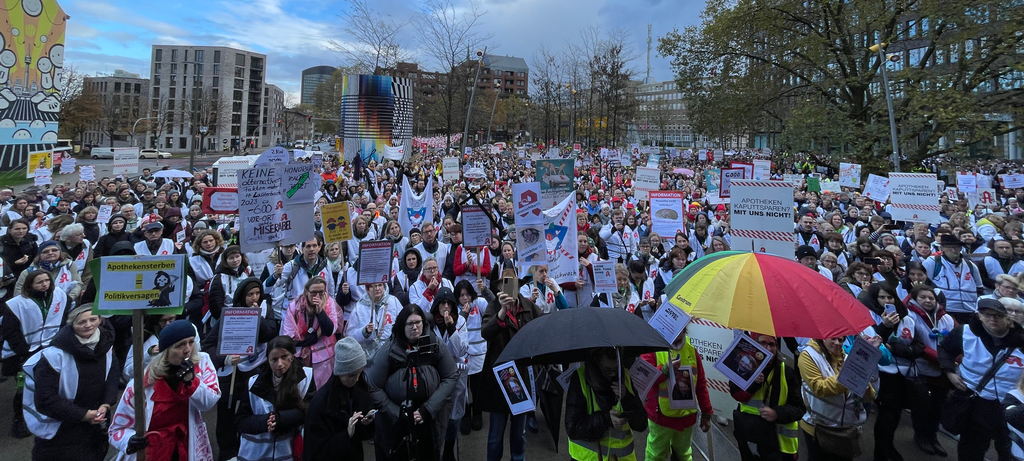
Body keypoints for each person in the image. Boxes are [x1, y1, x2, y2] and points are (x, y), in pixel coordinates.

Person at [108, 320, 221, 461]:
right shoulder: (139, 385)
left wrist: (192, 383)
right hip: (151, 453)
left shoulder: (201, 364)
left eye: (191, 342)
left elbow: (209, 403)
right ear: (166, 350)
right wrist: (129, 440)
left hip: (187, 449)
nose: (187, 349)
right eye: (180, 345)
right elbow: (116, 430)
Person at [21, 305, 119, 461]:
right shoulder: (53, 356)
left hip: (96, 423)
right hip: (60, 431)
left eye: (93, 319)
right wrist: (84, 415)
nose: (88, 325)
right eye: (81, 322)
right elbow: (45, 399)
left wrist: (107, 403)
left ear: (100, 320)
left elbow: (112, 377)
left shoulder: (106, 346)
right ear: (71, 324)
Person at [367, 304, 459, 461]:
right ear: (401, 325)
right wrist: (398, 414)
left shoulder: (434, 344)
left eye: (418, 322)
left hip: (429, 419)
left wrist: (428, 409)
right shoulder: (390, 349)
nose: (415, 327)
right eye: (409, 324)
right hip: (397, 422)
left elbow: (451, 376)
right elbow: (373, 387)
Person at [938, 298, 1024, 460]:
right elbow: (944, 349)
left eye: (998, 315)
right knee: (971, 450)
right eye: (987, 314)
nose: (992, 319)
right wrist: (950, 373)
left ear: (1008, 320)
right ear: (979, 316)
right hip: (974, 402)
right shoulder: (965, 332)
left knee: (1010, 452)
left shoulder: (1021, 342)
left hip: (1009, 407)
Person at [858, 283, 924, 461]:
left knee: (895, 415)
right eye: (882, 297)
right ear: (874, 299)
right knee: (887, 415)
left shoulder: (907, 318)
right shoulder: (868, 317)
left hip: (904, 374)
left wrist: (894, 349)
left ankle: (887, 446)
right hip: (881, 373)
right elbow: (870, 345)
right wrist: (885, 327)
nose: (887, 301)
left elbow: (918, 346)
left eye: (890, 297)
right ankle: (882, 451)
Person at [480, 278, 542, 461]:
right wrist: (502, 312)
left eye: (512, 284)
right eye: (504, 285)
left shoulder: (529, 307)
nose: (509, 288)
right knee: (495, 435)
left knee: (519, 432)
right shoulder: (493, 307)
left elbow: (540, 334)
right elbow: (486, 333)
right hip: (501, 378)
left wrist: (536, 367)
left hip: (522, 377)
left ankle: (518, 458)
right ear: (499, 288)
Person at [2, 270, 69, 438]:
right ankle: (20, 419)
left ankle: (52, 414)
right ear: (29, 284)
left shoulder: (60, 295)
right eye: (39, 282)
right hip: (25, 353)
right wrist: (24, 353)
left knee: (53, 385)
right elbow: (11, 332)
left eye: (47, 280)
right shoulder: (15, 304)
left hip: (52, 348)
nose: (44, 284)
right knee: (23, 388)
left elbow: (65, 320)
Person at [235, 336, 315, 461]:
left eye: (284, 357)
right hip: (258, 453)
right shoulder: (254, 383)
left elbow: (310, 412)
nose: (280, 364)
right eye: (274, 360)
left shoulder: (306, 377)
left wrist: (281, 419)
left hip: (290, 451)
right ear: (268, 360)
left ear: (292, 356)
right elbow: (240, 421)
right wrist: (264, 422)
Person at [797, 336, 876, 461]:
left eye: (841, 340)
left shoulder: (846, 358)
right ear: (823, 337)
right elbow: (819, 388)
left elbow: (870, 396)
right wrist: (848, 376)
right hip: (818, 428)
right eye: (833, 338)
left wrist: (866, 390)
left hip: (846, 431)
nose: (837, 343)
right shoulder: (808, 356)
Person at [640, 330, 713, 461]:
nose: (676, 331)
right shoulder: (652, 347)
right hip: (661, 417)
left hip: (686, 416)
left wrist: (706, 413)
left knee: (684, 455)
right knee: (656, 455)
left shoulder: (691, 350)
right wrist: (664, 370)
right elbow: (644, 378)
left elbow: (701, 384)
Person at [565, 347, 649, 461]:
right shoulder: (580, 379)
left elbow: (642, 423)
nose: (612, 374)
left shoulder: (624, 376)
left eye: (616, 369)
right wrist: (606, 419)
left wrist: (627, 398)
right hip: (588, 458)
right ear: (596, 361)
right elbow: (573, 428)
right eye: (607, 369)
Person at [730, 333, 804, 461]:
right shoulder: (744, 366)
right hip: (750, 439)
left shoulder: (786, 372)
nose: (768, 349)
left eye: (772, 344)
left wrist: (777, 413)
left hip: (778, 446)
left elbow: (799, 408)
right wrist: (753, 384)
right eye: (763, 343)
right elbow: (736, 394)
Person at [304, 337, 376, 461]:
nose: (357, 379)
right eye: (351, 375)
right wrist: (346, 435)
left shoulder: (359, 389)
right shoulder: (321, 403)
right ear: (339, 372)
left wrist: (366, 423)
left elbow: (363, 435)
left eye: (360, 373)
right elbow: (316, 451)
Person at [904, 285, 952, 456]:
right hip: (921, 368)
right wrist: (942, 360)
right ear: (915, 299)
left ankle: (933, 436)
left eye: (931, 298)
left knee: (938, 407)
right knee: (922, 406)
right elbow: (917, 344)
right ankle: (921, 436)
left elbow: (958, 342)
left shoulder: (946, 318)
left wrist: (952, 361)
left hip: (944, 371)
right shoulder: (909, 317)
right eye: (923, 297)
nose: (928, 301)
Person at [430, 287, 469, 461]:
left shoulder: (460, 321)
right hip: (437, 375)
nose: (445, 306)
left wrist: (451, 328)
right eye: (442, 303)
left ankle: (449, 448)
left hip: (456, 374)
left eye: (448, 303)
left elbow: (461, 349)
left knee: (455, 415)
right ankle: (435, 445)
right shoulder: (429, 324)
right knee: (437, 413)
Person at [281, 276, 341, 389]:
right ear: (306, 292)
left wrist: (320, 312)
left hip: (323, 358)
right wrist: (314, 337)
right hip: (300, 357)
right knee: (302, 389)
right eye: (314, 293)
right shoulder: (295, 306)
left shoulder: (329, 303)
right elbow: (289, 338)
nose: (317, 296)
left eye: (321, 292)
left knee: (323, 390)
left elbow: (329, 330)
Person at [456, 279, 493, 435]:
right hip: (463, 355)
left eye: (467, 294)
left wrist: (485, 290)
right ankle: (465, 414)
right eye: (461, 295)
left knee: (477, 386)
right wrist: (463, 314)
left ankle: (477, 412)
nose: (465, 298)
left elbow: (494, 305)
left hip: (479, 353)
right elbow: (456, 327)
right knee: (463, 387)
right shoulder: (455, 309)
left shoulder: (479, 303)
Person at [923, 233, 982, 324]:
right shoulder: (933, 262)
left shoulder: (971, 266)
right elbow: (925, 284)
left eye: (957, 247)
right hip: (945, 310)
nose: (954, 250)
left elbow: (979, 288)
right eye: (950, 247)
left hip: (969, 311)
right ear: (942, 248)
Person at [345, 281, 402, 365]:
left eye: (380, 285)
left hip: (392, 352)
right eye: (373, 286)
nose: (377, 289)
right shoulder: (359, 308)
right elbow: (350, 335)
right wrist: (364, 332)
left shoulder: (394, 302)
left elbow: (403, 323)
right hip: (369, 358)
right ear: (367, 289)